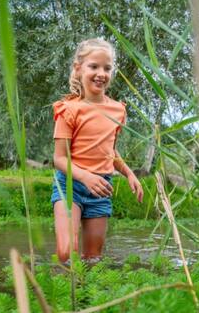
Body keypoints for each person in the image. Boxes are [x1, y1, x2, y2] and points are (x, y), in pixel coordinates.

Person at [51, 38, 143, 263]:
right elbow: (59, 159)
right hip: (70, 185)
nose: (101, 73)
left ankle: (88, 298)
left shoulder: (117, 110)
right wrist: (85, 177)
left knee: (93, 259)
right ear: (78, 68)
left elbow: (109, 152)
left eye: (107, 68)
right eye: (94, 66)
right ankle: (62, 296)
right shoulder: (69, 109)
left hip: (100, 189)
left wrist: (129, 173)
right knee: (66, 254)